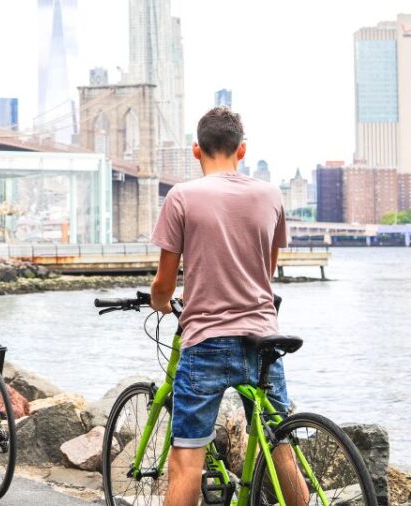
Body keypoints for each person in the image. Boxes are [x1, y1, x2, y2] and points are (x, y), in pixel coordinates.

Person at [149, 107, 308, 506]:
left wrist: (161, 303)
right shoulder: (271, 195)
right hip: (264, 338)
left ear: (195, 151)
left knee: (186, 462)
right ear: (242, 150)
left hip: (207, 340)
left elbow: (164, 282)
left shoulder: (181, 196)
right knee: (281, 445)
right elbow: (266, 271)